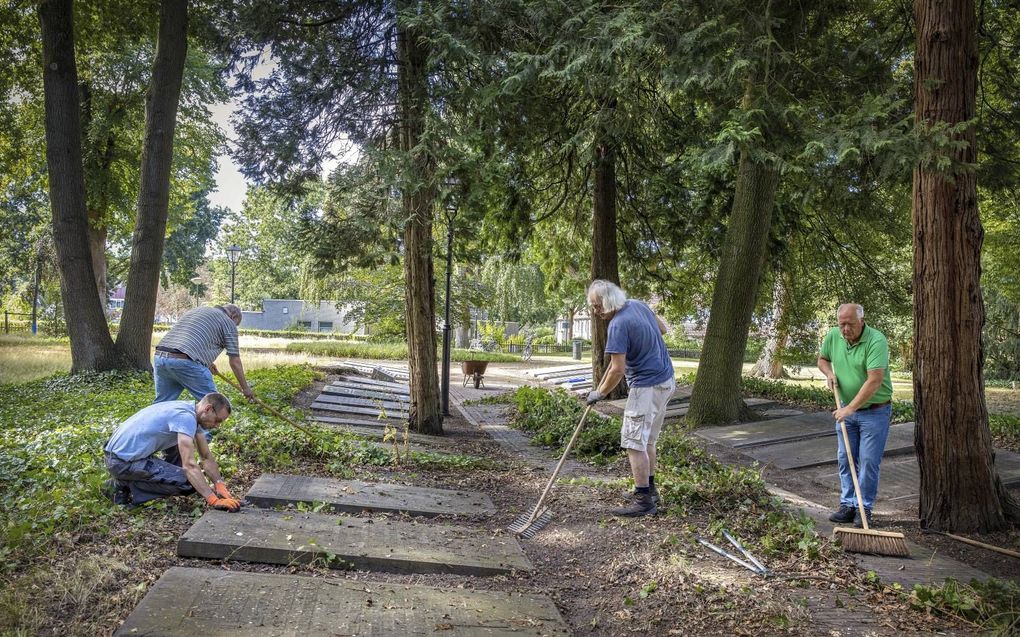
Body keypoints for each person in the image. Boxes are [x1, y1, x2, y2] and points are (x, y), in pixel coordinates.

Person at [585, 280, 676, 517]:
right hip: (666, 381)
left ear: (608, 302)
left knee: (633, 442)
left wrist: (599, 393)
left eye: (596, 306)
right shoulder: (639, 305)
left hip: (646, 387)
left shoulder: (618, 324)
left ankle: (643, 501)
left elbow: (617, 370)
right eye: (593, 307)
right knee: (647, 441)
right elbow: (663, 330)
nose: (595, 312)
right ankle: (649, 489)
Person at [817, 303, 894, 529]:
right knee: (845, 458)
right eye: (841, 324)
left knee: (868, 461)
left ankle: (864, 508)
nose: (845, 329)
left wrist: (849, 408)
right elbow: (822, 359)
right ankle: (849, 504)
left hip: (875, 412)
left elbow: (875, 380)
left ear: (861, 320)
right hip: (846, 411)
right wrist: (829, 372)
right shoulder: (834, 336)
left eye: (850, 324)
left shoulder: (876, 340)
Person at [102, 393, 241, 510]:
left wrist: (219, 484)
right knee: (189, 483)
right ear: (208, 409)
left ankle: (134, 480)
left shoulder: (190, 410)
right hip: (121, 462)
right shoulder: (185, 417)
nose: (217, 426)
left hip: (119, 455)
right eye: (217, 420)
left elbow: (205, 456)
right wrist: (213, 500)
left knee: (178, 448)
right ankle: (120, 486)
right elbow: (190, 465)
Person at [153, 304, 254, 403]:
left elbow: (193, 337)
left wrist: (207, 362)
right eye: (236, 324)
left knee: (161, 405)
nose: (234, 327)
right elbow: (234, 361)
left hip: (160, 357)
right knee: (214, 407)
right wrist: (245, 388)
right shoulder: (228, 322)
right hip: (185, 362)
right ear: (234, 316)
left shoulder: (198, 311)